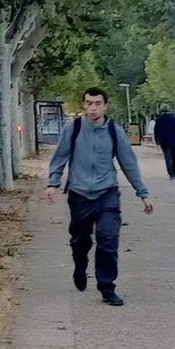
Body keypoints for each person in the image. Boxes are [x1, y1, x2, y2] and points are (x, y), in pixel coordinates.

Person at [46, 88, 154, 306]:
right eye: (89, 103)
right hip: (79, 194)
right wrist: (53, 183)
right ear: (83, 105)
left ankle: (107, 286)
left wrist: (143, 193)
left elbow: (128, 163)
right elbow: (59, 157)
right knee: (80, 241)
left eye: (97, 104)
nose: (93, 108)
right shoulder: (73, 129)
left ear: (105, 106)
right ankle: (80, 265)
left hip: (107, 193)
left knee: (108, 239)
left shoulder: (114, 132)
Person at [152, 104, 175, 179]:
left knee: (167, 157)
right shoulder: (174, 119)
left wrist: (157, 140)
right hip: (173, 140)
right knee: (173, 157)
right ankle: (174, 172)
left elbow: (156, 131)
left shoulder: (159, 120)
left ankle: (171, 174)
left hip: (164, 141)